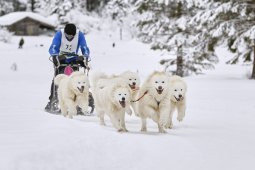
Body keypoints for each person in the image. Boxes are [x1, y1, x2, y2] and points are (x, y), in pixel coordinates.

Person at [45, 23, 90, 112]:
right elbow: (54, 47)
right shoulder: (59, 34)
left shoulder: (79, 35)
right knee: (58, 80)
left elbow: (84, 47)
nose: (69, 37)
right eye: (67, 36)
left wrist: (85, 56)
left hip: (74, 59)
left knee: (76, 81)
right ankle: (53, 100)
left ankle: (77, 102)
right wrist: (54, 56)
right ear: (65, 33)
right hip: (61, 60)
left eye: (71, 36)